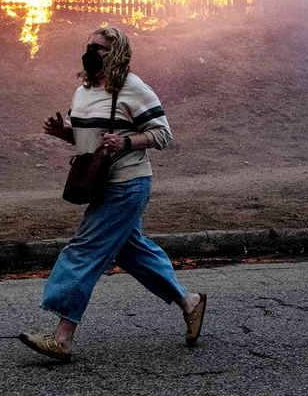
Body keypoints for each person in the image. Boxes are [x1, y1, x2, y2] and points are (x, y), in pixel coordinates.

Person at [19, 26, 206, 363]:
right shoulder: (83, 91)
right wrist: (63, 132)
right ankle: (188, 301)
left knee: (85, 248)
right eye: (88, 46)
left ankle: (62, 337)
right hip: (100, 184)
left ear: (116, 53)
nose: (90, 52)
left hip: (128, 184)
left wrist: (126, 141)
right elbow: (87, 140)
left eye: (98, 48)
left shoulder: (133, 88)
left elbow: (162, 134)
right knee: (132, 252)